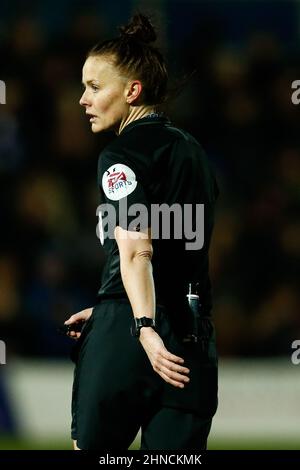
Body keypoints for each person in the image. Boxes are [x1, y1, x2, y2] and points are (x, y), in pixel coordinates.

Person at [64, 13, 219, 450]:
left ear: (132, 91)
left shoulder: (122, 153)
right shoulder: (194, 154)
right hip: (193, 335)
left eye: (94, 87)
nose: (82, 99)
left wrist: (139, 324)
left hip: (132, 335)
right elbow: (185, 245)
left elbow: (137, 249)